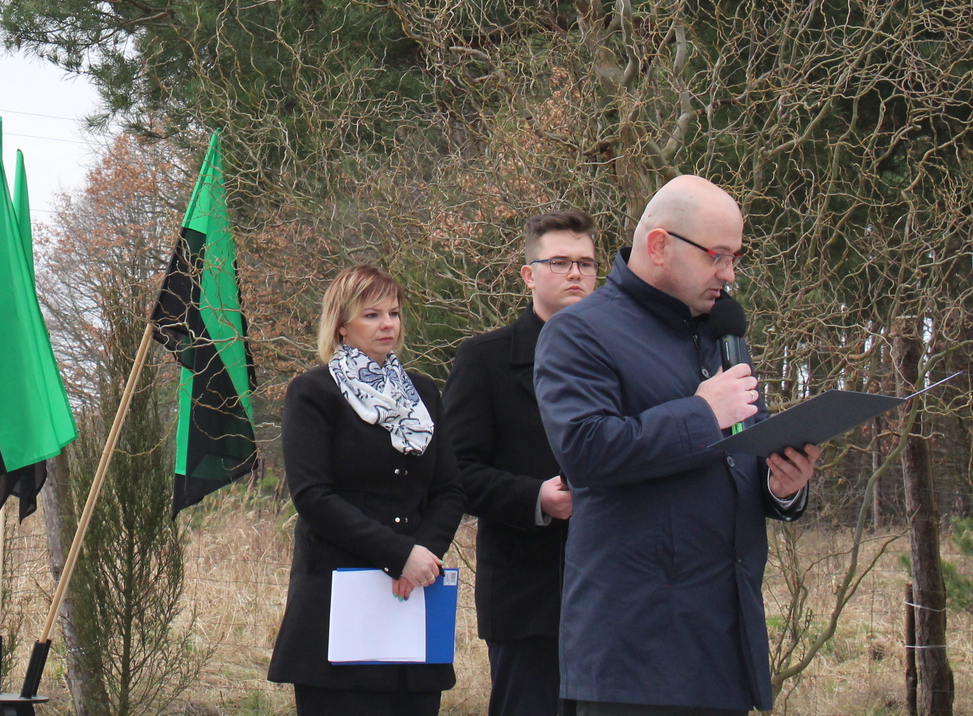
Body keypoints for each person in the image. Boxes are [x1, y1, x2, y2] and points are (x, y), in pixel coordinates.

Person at [535, 176, 822, 716]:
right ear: (660, 245)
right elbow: (585, 449)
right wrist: (703, 414)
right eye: (717, 255)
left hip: (724, 644)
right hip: (635, 657)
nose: (729, 273)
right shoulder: (579, 332)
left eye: (735, 257)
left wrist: (780, 484)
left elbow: (741, 450)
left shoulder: (722, 336)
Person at [269, 266, 465, 716]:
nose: (387, 324)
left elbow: (450, 489)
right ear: (341, 325)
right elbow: (312, 496)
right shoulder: (313, 392)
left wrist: (422, 557)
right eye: (372, 314)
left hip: (413, 597)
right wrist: (398, 554)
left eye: (394, 313)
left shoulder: (422, 393)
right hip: (337, 600)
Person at [447, 210, 597, 716]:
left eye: (586, 264)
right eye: (560, 262)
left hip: (615, 597)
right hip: (527, 597)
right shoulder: (484, 360)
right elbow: (456, 472)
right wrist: (536, 498)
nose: (575, 274)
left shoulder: (620, 358)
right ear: (529, 275)